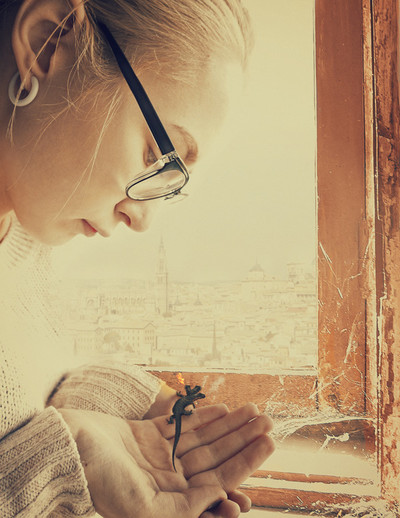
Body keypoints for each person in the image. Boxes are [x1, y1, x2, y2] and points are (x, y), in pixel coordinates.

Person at [0, 0, 275, 516]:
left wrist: (106, 407)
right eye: (156, 154)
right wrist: (56, 474)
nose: (143, 219)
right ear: (45, 43)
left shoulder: (32, 250)